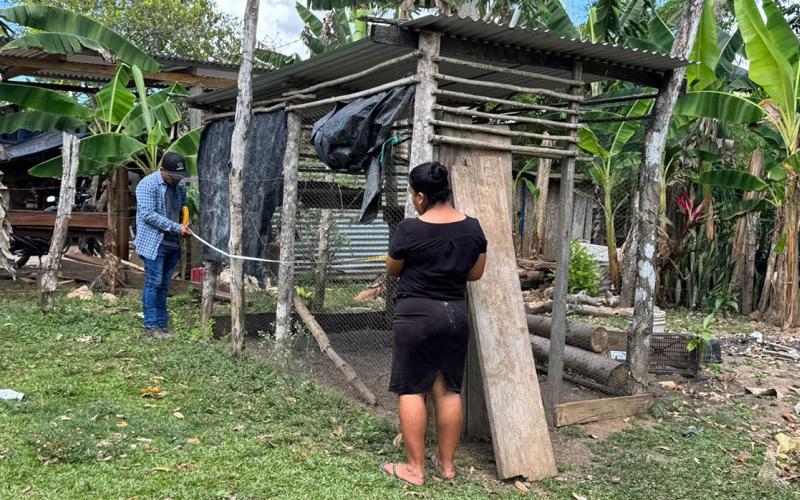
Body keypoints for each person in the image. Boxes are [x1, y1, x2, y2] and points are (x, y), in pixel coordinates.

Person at [381, 161, 487, 486]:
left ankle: (414, 469)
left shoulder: (410, 230)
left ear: (422, 197)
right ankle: (447, 464)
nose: (414, 200)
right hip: (454, 315)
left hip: (416, 317)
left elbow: (392, 269)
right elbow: (475, 273)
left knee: (412, 389)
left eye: (413, 195)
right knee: (448, 391)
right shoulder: (473, 228)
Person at [134, 152, 191, 338]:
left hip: (172, 242)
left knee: (164, 286)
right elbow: (148, 215)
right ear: (163, 171)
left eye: (180, 176)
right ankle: (151, 327)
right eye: (174, 176)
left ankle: (162, 324)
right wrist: (176, 227)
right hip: (154, 243)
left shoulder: (179, 186)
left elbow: (183, 206)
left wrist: (185, 224)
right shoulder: (147, 184)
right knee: (154, 283)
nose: (177, 180)